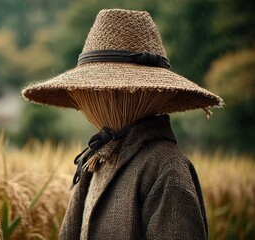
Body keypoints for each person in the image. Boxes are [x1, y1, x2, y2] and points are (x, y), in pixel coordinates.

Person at [22, 9, 223, 240]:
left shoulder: (166, 167)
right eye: (94, 91)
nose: (100, 98)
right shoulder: (99, 158)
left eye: (105, 90)